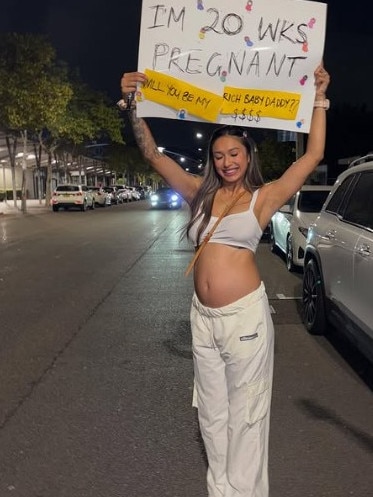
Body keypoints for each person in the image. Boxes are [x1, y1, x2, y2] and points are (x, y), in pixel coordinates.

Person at [120, 66, 330, 497]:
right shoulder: (198, 192)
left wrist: (319, 100)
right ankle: (221, 490)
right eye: (219, 155)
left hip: (244, 321)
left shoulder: (263, 197)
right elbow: (153, 157)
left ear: (247, 155)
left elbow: (311, 158)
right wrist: (134, 107)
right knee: (211, 414)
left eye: (234, 153)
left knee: (247, 414)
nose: (227, 161)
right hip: (203, 319)